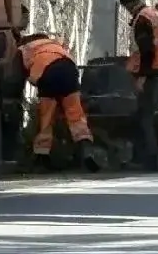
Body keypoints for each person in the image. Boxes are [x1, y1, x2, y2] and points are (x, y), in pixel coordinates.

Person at [17, 32, 99, 172]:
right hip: (69, 70)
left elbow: (21, 75)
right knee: (76, 115)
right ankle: (86, 151)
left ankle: (42, 157)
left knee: (46, 118)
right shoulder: (54, 44)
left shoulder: (25, 49)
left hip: (48, 73)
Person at [120, 0, 158, 171]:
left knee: (144, 118)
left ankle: (149, 159)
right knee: (142, 115)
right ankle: (142, 157)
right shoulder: (152, 14)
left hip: (150, 73)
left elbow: (147, 51)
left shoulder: (141, 20)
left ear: (129, 4)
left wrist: (142, 76)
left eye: (126, 6)